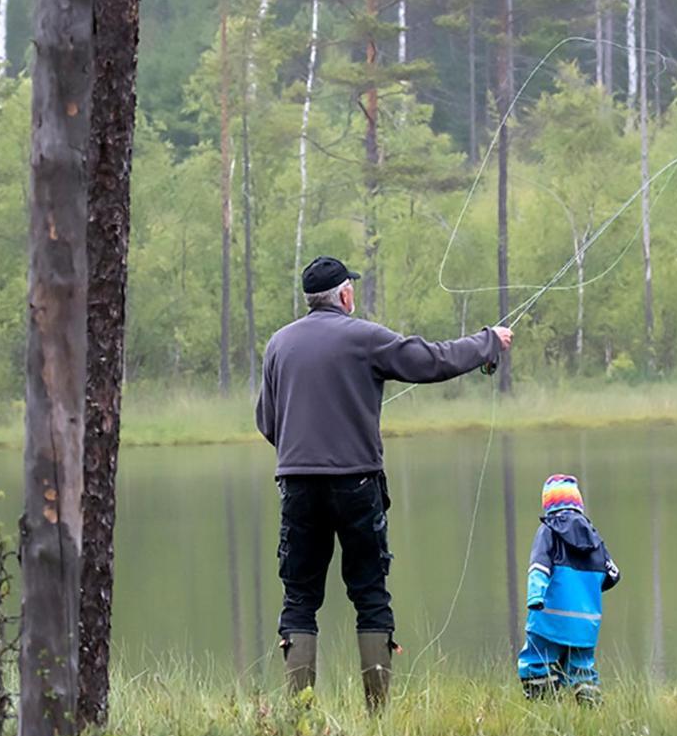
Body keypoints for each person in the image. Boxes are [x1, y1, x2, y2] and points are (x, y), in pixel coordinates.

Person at [256, 255, 513, 712]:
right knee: (371, 595)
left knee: (299, 598)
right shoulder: (364, 337)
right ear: (345, 295)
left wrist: (301, 453)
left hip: (296, 486)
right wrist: (488, 342)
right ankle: (378, 716)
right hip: (357, 484)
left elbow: (267, 422)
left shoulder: (278, 344)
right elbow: (432, 361)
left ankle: (300, 718)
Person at [517, 474, 621, 705]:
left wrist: (535, 597)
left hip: (549, 618)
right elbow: (613, 575)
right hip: (586, 622)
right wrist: (587, 592)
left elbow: (539, 568)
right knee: (583, 669)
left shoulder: (547, 531)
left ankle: (542, 705)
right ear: (578, 504)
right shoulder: (594, 536)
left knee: (536, 661)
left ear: (548, 504)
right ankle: (591, 709)